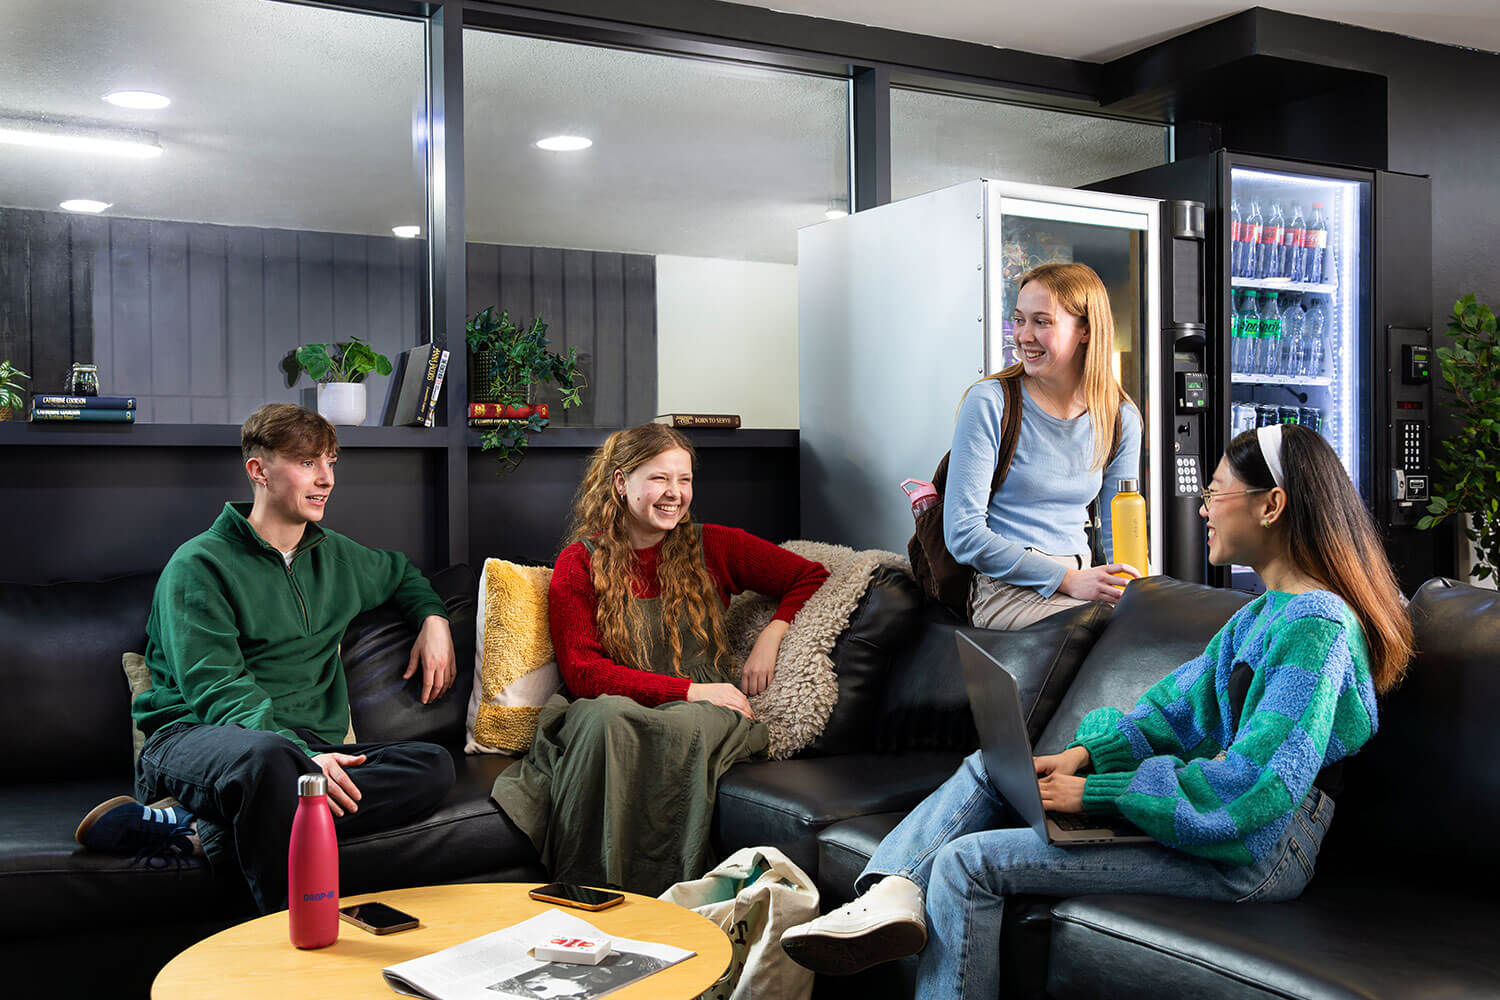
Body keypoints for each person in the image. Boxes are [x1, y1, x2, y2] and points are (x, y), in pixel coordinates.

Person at [781, 423, 1413, 996]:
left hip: (1255, 851)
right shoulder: (1259, 613)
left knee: (969, 862)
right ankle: (889, 892)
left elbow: (1253, 790)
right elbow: (1174, 712)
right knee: (992, 769)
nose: (1202, 507)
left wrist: (1095, 794)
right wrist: (1081, 756)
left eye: (1215, 492)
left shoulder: (1318, 627)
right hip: (1218, 819)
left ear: (1270, 505)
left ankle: (900, 893)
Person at [74, 403, 458, 913]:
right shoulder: (198, 566)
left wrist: (434, 620)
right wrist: (299, 758)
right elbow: (218, 689)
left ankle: (199, 825)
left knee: (432, 765)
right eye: (306, 462)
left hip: (303, 751)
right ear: (258, 470)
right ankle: (295, 940)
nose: (325, 479)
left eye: (331, 461)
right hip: (192, 740)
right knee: (270, 761)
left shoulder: (338, 557)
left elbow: (403, 574)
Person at [492, 423, 828, 895]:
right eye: (659, 479)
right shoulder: (580, 562)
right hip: (622, 699)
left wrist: (772, 634)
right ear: (619, 483)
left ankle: (668, 905)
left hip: (705, 710)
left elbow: (810, 575)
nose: (675, 494)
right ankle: (586, 896)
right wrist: (689, 689)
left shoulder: (716, 545)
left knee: (686, 726)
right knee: (604, 718)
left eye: (684, 479)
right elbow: (585, 674)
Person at [945, 261, 1144, 630]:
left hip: (1086, 585)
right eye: (1019, 320)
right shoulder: (991, 402)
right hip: (1005, 589)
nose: (1023, 336)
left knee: (1153, 639)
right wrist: (1067, 580)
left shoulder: (1119, 418)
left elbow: (1121, 538)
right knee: (1097, 635)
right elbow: (963, 534)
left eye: (1042, 321)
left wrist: (1138, 595)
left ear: (1085, 330)